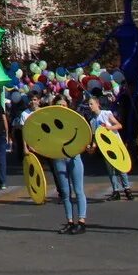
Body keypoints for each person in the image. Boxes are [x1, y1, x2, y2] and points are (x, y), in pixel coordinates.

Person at [48, 97, 88, 234]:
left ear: (68, 106)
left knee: (78, 190)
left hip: (74, 158)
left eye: (64, 104)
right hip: (58, 159)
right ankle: (70, 221)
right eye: (58, 105)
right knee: (65, 193)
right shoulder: (50, 122)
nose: (61, 107)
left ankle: (81, 222)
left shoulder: (73, 120)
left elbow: (84, 135)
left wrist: (85, 146)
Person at [86, 96, 132, 201]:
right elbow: (95, 138)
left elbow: (119, 125)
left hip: (116, 144)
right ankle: (116, 191)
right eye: (89, 104)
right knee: (111, 170)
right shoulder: (93, 121)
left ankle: (127, 189)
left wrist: (109, 128)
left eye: (91, 104)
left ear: (97, 104)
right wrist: (92, 147)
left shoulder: (106, 114)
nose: (90, 106)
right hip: (105, 148)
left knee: (121, 167)